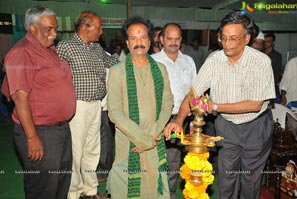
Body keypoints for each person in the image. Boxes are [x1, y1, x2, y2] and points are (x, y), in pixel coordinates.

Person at [165, 11, 275, 199]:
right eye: (223, 38)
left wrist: (215, 107)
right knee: (226, 181)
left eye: (233, 39)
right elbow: (194, 93)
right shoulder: (214, 60)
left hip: (256, 128)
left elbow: (256, 104)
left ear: (247, 38)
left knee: (250, 183)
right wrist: (179, 119)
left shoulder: (260, 61)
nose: (227, 44)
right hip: (226, 129)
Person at [2, 6, 76, 199]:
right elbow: (19, 97)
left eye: (55, 28)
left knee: (61, 183)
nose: (54, 34)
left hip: (60, 129)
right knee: (43, 189)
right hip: (40, 131)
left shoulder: (49, 50)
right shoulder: (22, 53)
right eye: (48, 29)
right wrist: (31, 138)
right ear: (32, 28)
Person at [106, 16, 173, 199]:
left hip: (154, 138)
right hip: (129, 141)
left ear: (150, 41)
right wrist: (140, 138)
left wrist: (152, 134)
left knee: (153, 187)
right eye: (134, 38)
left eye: (143, 37)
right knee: (127, 186)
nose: (139, 42)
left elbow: (168, 102)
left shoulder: (160, 69)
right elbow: (114, 112)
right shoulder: (117, 72)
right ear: (127, 42)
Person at [56, 11, 119, 199]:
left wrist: (136, 62)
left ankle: (89, 190)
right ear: (86, 27)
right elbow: (54, 77)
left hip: (96, 105)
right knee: (76, 151)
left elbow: (114, 63)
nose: (101, 32)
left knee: (92, 150)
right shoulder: (65, 47)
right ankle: (73, 193)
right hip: (76, 106)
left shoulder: (96, 48)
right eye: (98, 28)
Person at [151, 23, 196, 199]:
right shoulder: (153, 61)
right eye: (169, 38)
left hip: (185, 118)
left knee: (182, 162)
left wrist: (192, 121)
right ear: (161, 39)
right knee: (165, 161)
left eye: (177, 38)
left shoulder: (189, 61)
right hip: (163, 119)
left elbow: (195, 91)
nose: (173, 42)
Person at [280, 56, 297, 140]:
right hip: (294, 103)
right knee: (293, 129)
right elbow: (284, 84)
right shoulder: (293, 63)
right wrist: (283, 97)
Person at [264, 32, 282, 98]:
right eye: (265, 41)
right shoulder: (260, 54)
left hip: (272, 87)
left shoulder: (277, 56)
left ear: (273, 43)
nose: (265, 43)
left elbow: (277, 73)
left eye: (268, 41)